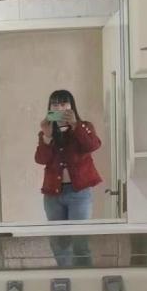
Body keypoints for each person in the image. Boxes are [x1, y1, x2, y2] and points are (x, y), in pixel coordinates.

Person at [34, 90, 102, 267]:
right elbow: (41, 159)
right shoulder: (47, 132)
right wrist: (47, 136)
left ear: (72, 106)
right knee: (59, 243)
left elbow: (92, 145)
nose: (59, 108)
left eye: (64, 104)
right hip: (53, 194)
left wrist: (75, 125)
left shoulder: (84, 126)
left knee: (80, 243)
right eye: (55, 104)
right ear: (49, 108)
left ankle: (84, 278)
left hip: (79, 193)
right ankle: (66, 277)